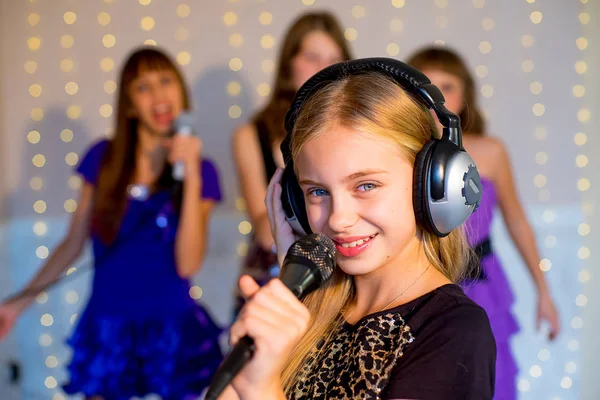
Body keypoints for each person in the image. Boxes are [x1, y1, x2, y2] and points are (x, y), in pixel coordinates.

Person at [217, 58, 497, 400]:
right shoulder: (313, 312)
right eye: (317, 192)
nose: (338, 219)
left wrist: (261, 389)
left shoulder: (453, 331)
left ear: (432, 186)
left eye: (365, 185)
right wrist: (293, 277)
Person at [0, 47, 224, 400]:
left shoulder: (203, 172)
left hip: (173, 331)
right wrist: (16, 304)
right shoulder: (102, 159)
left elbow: (188, 264)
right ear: (130, 106)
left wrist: (191, 174)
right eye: (143, 87)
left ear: (180, 92)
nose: (159, 95)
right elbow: (73, 244)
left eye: (165, 81)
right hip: (108, 328)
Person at [407, 46, 561, 400]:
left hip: (482, 283)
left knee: (490, 379)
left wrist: (544, 291)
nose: (438, 97)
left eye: (449, 86)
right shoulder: (405, 152)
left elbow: (517, 221)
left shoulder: (491, 151)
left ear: (465, 95)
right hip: (423, 281)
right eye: (428, 87)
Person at [231, 11, 353, 317]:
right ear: (289, 65)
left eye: (333, 59)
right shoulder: (251, 134)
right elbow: (263, 227)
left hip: (339, 278)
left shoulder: (356, 129)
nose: (324, 69)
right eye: (312, 57)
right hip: (275, 275)